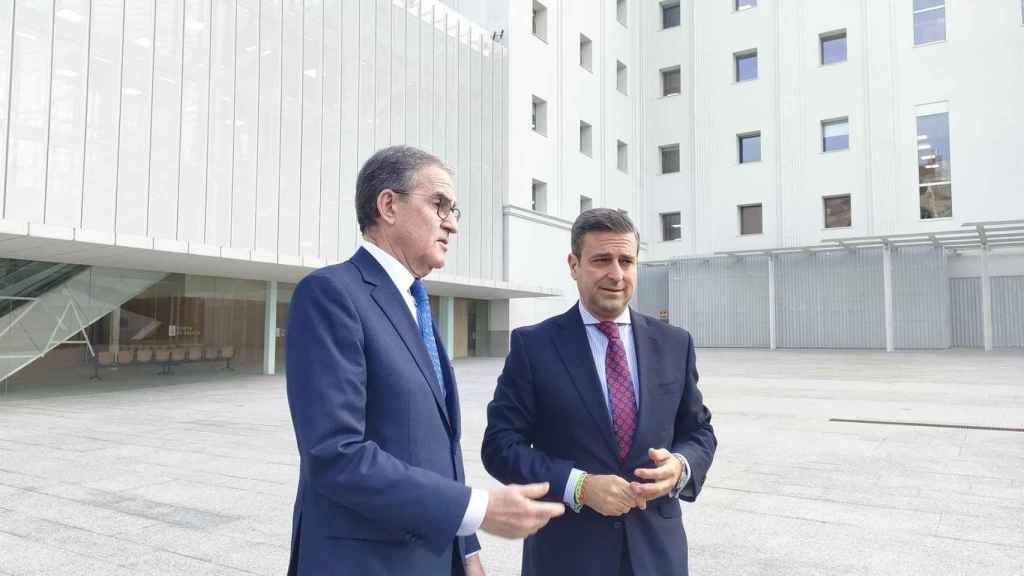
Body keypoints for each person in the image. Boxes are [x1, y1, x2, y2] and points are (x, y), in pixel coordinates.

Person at [285, 145, 564, 576]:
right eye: (439, 205)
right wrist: (478, 509)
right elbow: (335, 453)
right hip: (365, 562)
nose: (451, 224)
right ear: (388, 205)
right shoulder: (330, 294)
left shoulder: (415, 304)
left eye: (454, 210)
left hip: (432, 554)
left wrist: (466, 550)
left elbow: (440, 448)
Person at [482, 208, 717, 575]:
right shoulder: (534, 346)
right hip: (567, 556)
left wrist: (680, 467)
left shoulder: (674, 343)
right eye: (601, 260)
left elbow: (699, 431)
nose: (616, 274)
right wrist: (580, 486)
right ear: (574, 265)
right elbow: (499, 446)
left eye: (626, 260)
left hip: (657, 555)